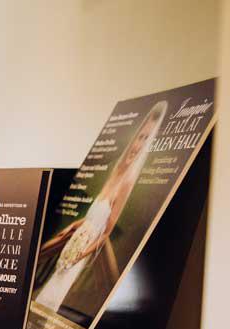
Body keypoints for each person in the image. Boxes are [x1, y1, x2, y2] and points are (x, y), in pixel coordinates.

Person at [35, 101, 168, 313]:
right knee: (50, 286)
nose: (138, 145)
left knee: (60, 293)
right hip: (76, 241)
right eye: (139, 137)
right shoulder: (116, 171)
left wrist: (81, 255)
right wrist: (74, 227)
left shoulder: (127, 182)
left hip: (83, 251)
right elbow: (94, 216)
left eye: (146, 139)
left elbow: (105, 232)